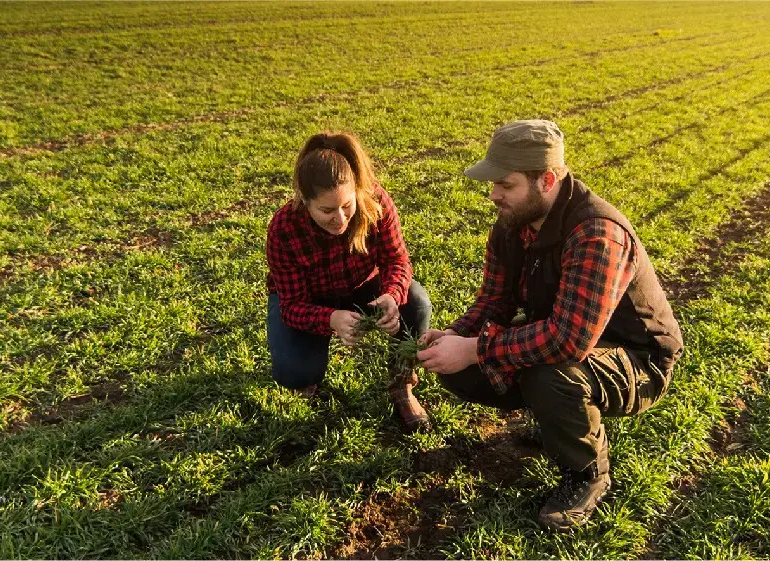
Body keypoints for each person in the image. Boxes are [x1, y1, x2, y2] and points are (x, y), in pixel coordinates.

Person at [416, 119, 683, 531]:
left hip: (638, 359)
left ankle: (588, 475)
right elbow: (494, 301)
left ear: (547, 180)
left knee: (550, 375)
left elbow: (568, 340)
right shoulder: (513, 223)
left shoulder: (597, 233)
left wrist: (474, 349)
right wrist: (456, 334)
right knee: (464, 370)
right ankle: (556, 422)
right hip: (569, 337)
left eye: (506, 184)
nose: (494, 195)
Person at [265, 131, 432, 431]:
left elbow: (397, 261)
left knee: (417, 304)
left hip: (362, 284)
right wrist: (330, 318)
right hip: (311, 299)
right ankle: (308, 377)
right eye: (327, 210)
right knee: (295, 371)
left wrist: (392, 295)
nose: (340, 219)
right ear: (304, 201)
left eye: (346, 205)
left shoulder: (376, 202)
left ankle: (402, 383)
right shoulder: (284, 227)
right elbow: (291, 305)